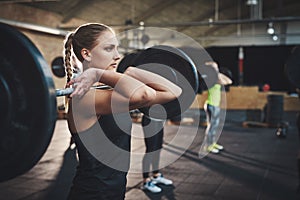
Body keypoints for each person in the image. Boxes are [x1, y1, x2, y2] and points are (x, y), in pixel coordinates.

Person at [63, 23, 182, 199]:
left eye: (117, 49)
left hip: (114, 193)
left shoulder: (107, 93)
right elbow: (145, 93)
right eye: (109, 49)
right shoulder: (85, 98)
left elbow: (174, 91)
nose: (117, 56)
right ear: (86, 54)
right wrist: (98, 74)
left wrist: (132, 72)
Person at [204, 61, 232, 154]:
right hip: (211, 105)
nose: (217, 69)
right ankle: (208, 146)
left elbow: (229, 81)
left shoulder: (215, 77)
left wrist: (216, 72)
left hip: (215, 105)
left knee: (214, 126)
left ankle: (213, 143)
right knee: (211, 126)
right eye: (215, 68)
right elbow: (225, 81)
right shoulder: (212, 79)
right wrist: (215, 72)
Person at [140, 115, 173, 193]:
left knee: (158, 148)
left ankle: (156, 175)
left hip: (158, 119)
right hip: (149, 119)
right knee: (150, 150)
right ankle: (146, 181)